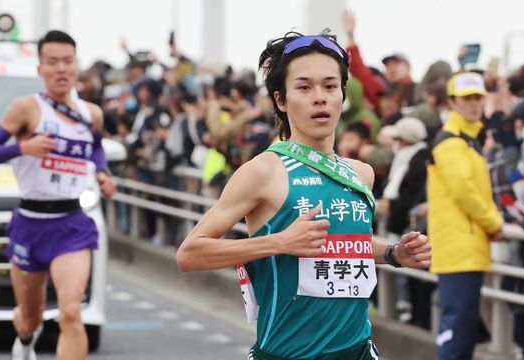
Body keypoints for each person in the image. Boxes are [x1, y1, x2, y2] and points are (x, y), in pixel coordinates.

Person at [176, 30, 432, 360]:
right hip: (287, 353)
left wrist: (395, 253)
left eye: (329, 86)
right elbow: (190, 254)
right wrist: (278, 243)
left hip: (358, 350)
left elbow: (343, 243)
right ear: (280, 100)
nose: (320, 97)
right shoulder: (263, 171)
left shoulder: (360, 172)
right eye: (304, 87)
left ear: (343, 95)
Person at [0, 30, 116, 360]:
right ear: (40, 69)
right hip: (30, 223)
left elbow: (95, 150)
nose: (61, 69)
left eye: (67, 61)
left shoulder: (92, 114)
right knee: (29, 317)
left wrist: (102, 174)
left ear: (76, 66)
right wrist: (24, 147)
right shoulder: (26, 108)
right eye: (52, 62)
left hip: (71, 224)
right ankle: (25, 340)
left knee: (70, 312)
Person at [428, 72, 504, 360]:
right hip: (459, 249)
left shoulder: (467, 141)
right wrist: (494, 222)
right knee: (457, 332)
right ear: (452, 102)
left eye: (478, 98)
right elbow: (465, 192)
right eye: (467, 99)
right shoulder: (451, 143)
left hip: (467, 248)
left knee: (462, 330)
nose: (474, 104)